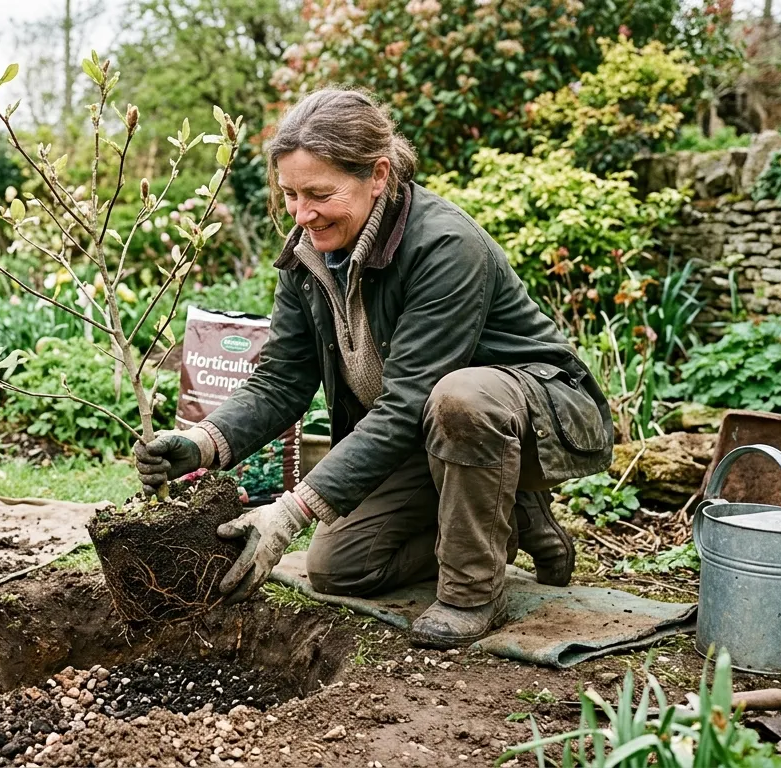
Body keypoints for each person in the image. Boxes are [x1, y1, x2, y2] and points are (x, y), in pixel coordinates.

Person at [135, 88, 613, 649]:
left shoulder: (445, 247)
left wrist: (288, 513)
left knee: (462, 397)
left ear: (378, 175)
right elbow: (282, 379)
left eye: (319, 193)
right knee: (340, 567)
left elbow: (411, 400)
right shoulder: (309, 253)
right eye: (290, 194)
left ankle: (472, 589)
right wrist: (200, 444)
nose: (301, 212)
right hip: (426, 432)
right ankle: (507, 518)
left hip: (533, 418)